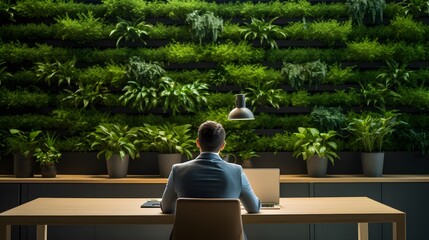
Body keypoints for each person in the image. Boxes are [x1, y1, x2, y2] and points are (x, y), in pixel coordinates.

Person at [160, 120, 261, 214]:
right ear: (223, 145)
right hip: (226, 233)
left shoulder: (177, 170)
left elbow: (166, 208)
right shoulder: (236, 171)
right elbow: (254, 208)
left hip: (187, 233)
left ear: (197, 143)